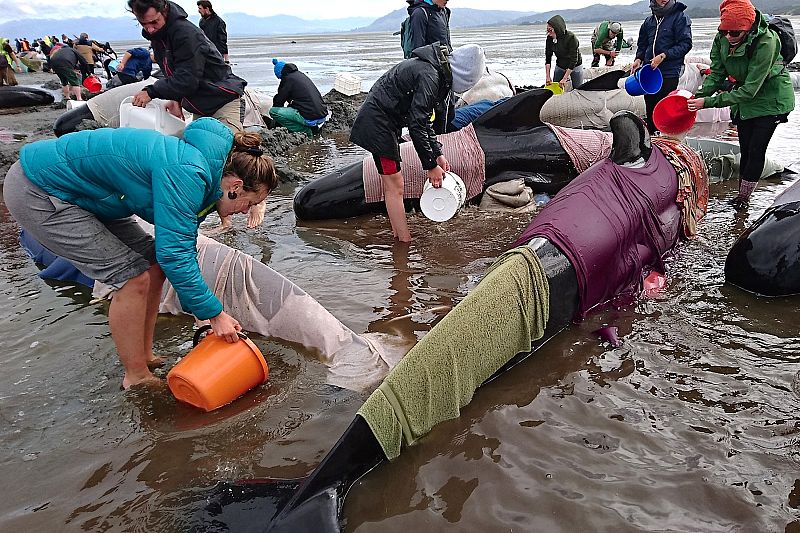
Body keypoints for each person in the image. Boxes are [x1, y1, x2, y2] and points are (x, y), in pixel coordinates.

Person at [2, 118, 278, 389]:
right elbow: (175, 255)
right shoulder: (189, 171)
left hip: (90, 196)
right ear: (236, 186)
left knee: (153, 263)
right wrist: (215, 314)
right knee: (132, 278)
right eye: (250, 203)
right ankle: (135, 376)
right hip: (39, 189)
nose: (245, 212)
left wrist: (201, 311)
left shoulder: (206, 170)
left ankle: (145, 357)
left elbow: (180, 246)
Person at [350, 43, 485, 242]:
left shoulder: (434, 70)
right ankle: (404, 241)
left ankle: (400, 236)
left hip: (386, 123)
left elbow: (424, 121)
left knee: (393, 185)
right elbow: (417, 125)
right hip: (377, 125)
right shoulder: (430, 76)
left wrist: (437, 153)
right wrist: (430, 165)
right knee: (394, 186)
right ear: (462, 75)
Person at [687, 0, 795, 211]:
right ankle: (741, 193)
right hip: (743, 100)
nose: (728, 36)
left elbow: (750, 90)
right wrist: (696, 96)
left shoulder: (766, 41)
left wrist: (707, 103)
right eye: (724, 31)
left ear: (748, 28)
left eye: (734, 33)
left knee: (756, 149)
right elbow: (716, 73)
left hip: (770, 100)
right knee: (745, 149)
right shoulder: (722, 38)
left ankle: (743, 200)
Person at [126, 0, 246, 133]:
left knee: (227, 149)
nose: (149, 29)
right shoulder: (159, 36)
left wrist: (151, 91)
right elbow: (174, 70)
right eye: (143, 24)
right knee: (198, 152)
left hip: (223, 101)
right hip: (201, 107)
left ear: (165, 11)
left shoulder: (186, 34)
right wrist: (176, 99)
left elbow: (187, 79)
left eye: (154, 22)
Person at [631, 0, 692, 134]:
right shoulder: (649, 21)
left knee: (664, 108)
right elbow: (643, 43)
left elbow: (686, 44)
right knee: (650, 106)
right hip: (649, 71)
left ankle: (666, 138)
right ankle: (652, 139)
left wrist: (664, 55)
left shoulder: (680, 17)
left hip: (669, 71)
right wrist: (638, 58)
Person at [269, 58, 329, 137]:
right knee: (294, 108)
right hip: (322, 115)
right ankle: (313, 128)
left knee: (273, 112)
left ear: (280, 74)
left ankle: (305, 131)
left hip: (310, 117)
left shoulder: (287, 79)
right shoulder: (300, 75)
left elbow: (279, 101)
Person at [545, 15, 583, 90]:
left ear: (557, 29)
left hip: (575, 65)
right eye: (547, 31)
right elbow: (548, 58)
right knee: (555, 87)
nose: (549, 33)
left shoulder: (571, 38)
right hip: (560, 64)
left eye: (551, 30)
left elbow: (574, 60)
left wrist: (565, 78)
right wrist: (547, 76)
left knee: (578, 89)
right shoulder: (549, 39)